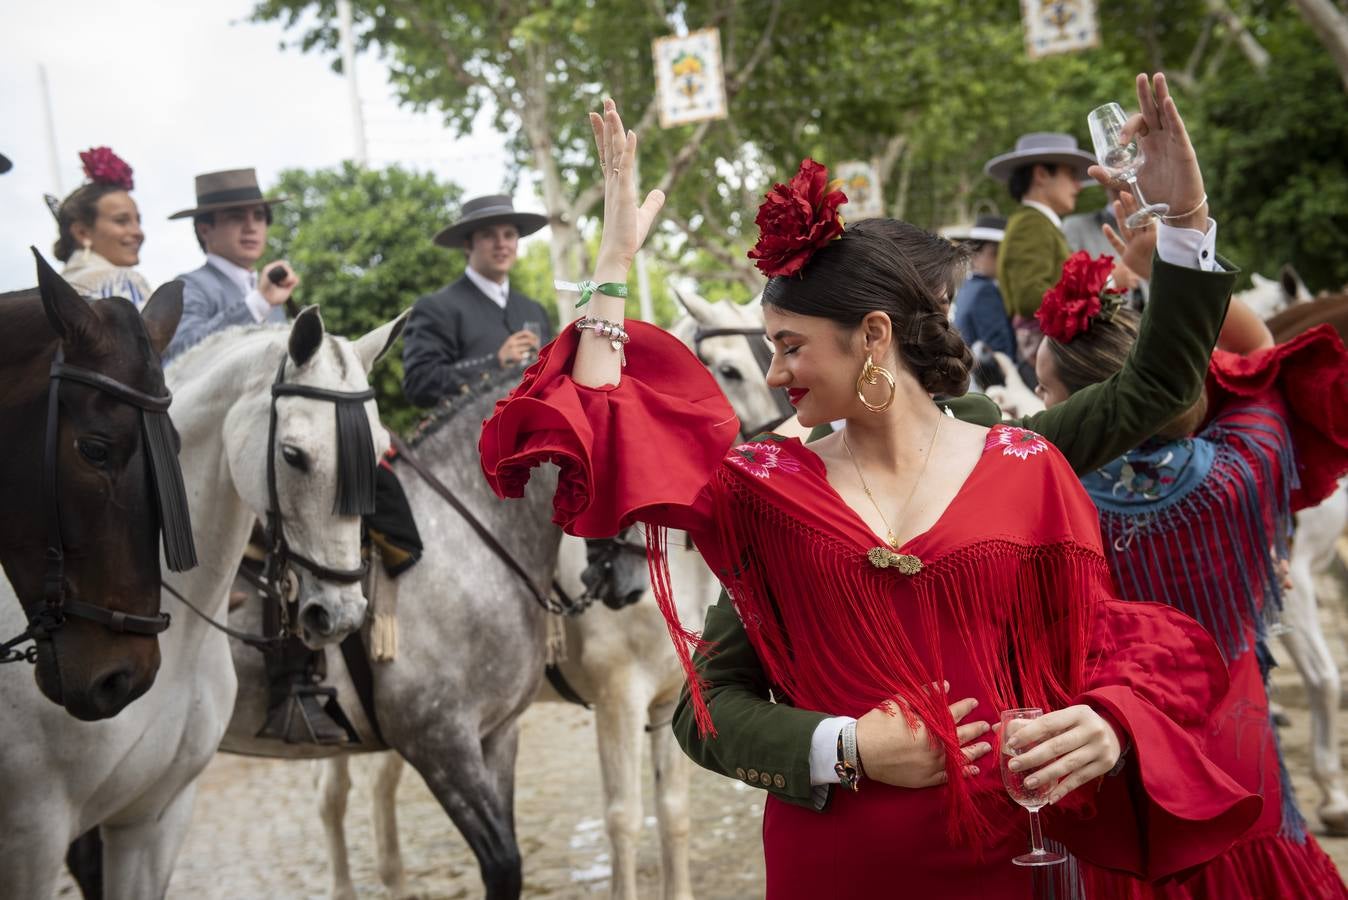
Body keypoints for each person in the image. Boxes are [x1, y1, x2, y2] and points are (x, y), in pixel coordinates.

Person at [481, 79, 1261, 898]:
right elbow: (603, 448)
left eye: (789, 346)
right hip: (832, 871)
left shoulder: (1026, 463)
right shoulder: (766, 495)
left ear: (875, 338)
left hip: (1013, 865)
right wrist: (845, 747)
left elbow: (1109, 645)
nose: (773, 372)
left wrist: (1105, 724)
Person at [1036, 237, 1348, 898]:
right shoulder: (1242, 463)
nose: (1036, 405)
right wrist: (1169, 264)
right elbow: (1261, 356)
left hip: (1130, 758)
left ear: (1085, 406)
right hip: (1241, 745)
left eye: (1044, 389)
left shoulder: (1044, 497)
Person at [401, 195, 552, 407]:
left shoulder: (534, 310)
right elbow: (419, 383)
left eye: (509, 235)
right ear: (467, 245)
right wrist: (494, 363)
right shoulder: (436, 308)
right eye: (488, 235)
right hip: (471, 438)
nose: (501, 244)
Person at [985, 132, 1096, 376]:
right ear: (1041, 174)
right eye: (1070, 175)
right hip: (1047, 360)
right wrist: (1099, 287)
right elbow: (1029, 297)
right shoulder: (1031, 224)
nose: (1078, 186)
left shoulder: (1036, 223)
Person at [162, 168, 298, 363]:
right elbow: (180, 353)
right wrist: (259, 302)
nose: (251, 227)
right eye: (236, 217)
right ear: (205, 230)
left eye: (259, 216)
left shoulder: (269, 293)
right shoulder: (189, 286)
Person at [48, 147, 154, 308]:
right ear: (82, 233)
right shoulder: (122, 281)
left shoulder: (50, 294)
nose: (137, 232)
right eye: (121, 221)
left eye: (137, 221)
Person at [950, 215, 1016, 360]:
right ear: (975, 255)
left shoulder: (968, 287)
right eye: (996, 254)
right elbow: (1000, 349)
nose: (1002, 260)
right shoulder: (985, 291)